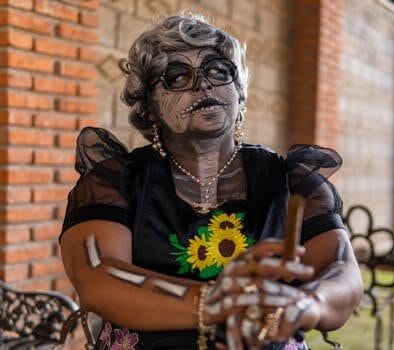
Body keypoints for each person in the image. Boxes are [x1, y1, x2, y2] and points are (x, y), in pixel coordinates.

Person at [59, 12, 363, 350]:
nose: (203, 84)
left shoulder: (290, 180)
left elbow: (342, 271)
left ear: (239, 93)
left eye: (219, 71)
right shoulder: (117, 181)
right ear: (148, 108)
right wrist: (213, 302)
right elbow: (97, 278)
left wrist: (308, 303)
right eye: (177, 77)